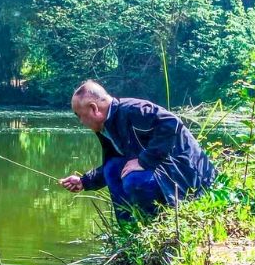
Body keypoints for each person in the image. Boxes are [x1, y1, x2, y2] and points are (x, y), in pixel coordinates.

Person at [60, 80, 216, 222]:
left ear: (94, 109)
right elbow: (115, 167)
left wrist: (144, 161)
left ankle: (156, 222)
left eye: (79, 115)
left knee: (134, 180)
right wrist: (85, 181)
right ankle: (130, 228)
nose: (81, 121)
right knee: (112, 167)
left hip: (190, 177)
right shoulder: (108, 126)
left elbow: (171, 123)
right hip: (165, 171)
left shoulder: (135, 110)